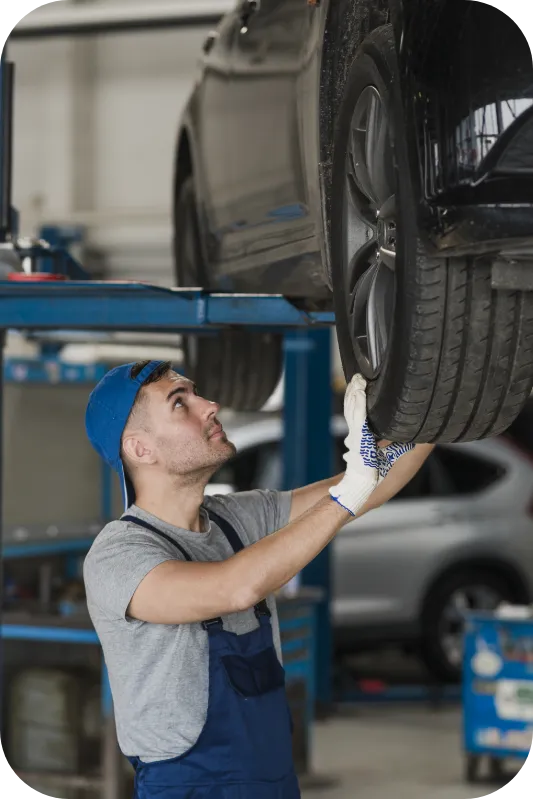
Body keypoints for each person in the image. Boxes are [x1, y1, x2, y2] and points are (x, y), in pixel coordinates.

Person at [83, 360, 434, 799]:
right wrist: (352, 489)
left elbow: (368, 487)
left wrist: (441, 400)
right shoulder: (118, 555)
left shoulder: (238, 518)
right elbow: (233, 588)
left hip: (274, 781)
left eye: (195, 393)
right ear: (140, 449)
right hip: (190, 789)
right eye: (180, 403)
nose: (209, 405)